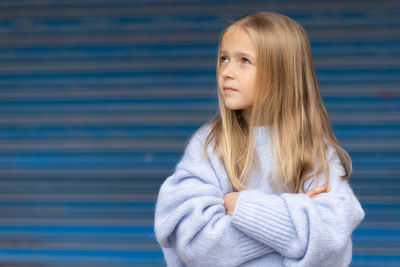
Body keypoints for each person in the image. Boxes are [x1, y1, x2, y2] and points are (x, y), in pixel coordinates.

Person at [154, 11, 364, 267]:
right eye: (224, 58)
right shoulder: (209, 146)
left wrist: (243, 207)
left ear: (282, 73)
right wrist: (295, 224)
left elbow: (332, 245)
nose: (227, 72)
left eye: (244, 60)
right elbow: (199, 245)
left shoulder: (316, 152)